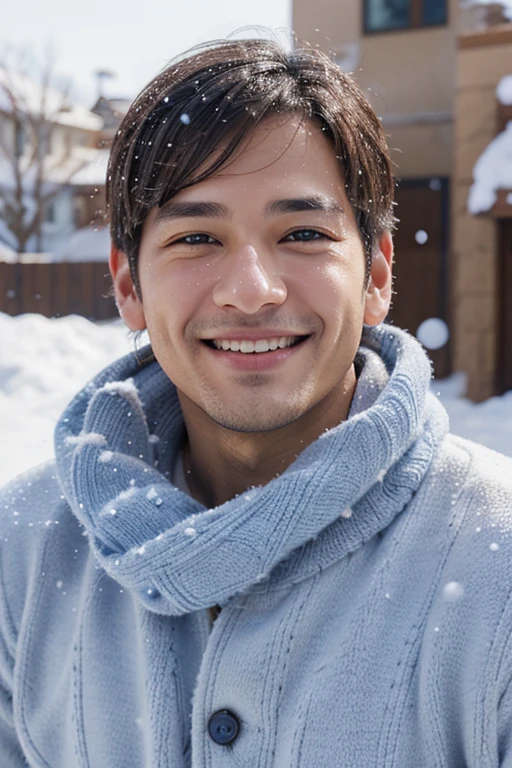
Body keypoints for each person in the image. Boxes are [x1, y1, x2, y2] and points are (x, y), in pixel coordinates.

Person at [1, 37, 512, 768]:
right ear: (127, 283)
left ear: (375, 275)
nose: (251, 289)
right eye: (197, 237)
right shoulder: (23, 550)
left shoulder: (497, 562)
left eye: (303, 233)